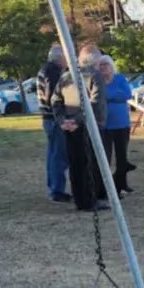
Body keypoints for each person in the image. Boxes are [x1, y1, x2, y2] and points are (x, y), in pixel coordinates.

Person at [52, 43, 109, 212]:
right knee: (90, 164)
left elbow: (55, 101)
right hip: (88, 126)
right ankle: (90, 200)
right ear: (95, 60)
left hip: (70, 127)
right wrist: (76, 121)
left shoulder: (66, 76)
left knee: (76, 163)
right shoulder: (95, 75)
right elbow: (95, 103)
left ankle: (80, 199)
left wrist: (63, 121)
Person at [98, 55, 135, 196]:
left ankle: (122, 183)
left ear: (111, 65)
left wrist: (109, 95)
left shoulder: (119, 78)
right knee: (106, 156)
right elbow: (99, 96)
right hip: (105, 125)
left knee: (122, 157)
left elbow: (127, 94)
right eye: (100, 65)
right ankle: (107, 185)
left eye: (106, 64)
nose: (103, 67)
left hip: (122, 124)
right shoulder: (98, 81)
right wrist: (114, 95)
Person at [38, 45, 70, 203]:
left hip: (48, 118)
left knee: (53, 155)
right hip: (54, 118)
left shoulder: (45, 69)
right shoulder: (53, 71)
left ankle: (54, 188)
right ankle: (57, 190)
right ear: (60, 58)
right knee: (59, 156)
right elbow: (53, 95)